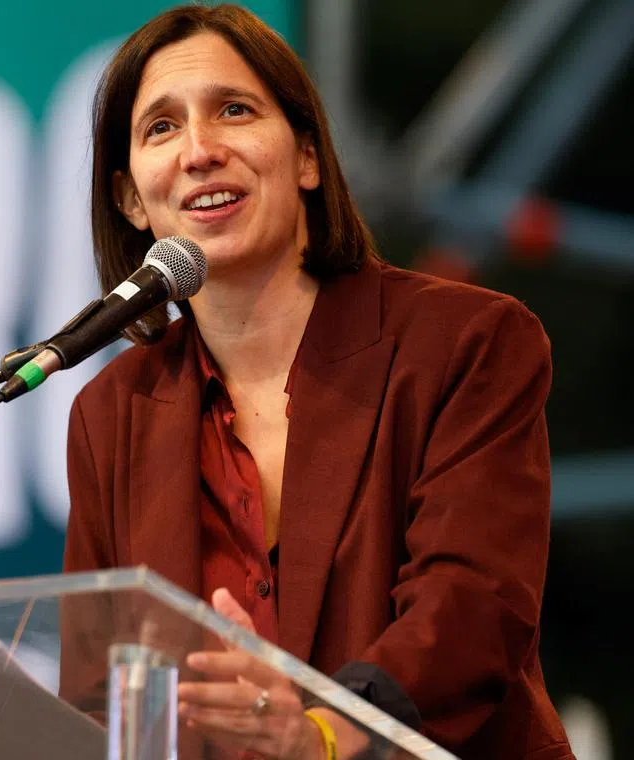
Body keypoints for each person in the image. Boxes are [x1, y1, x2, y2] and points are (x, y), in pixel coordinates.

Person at [60, 4, 574, 759]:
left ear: (306, 157)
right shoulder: (111, 414)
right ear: (132, 199)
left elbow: (470, 608)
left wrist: (324, 736)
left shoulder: (463, 341)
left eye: (234, 111)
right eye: (161, 128)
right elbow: (99, 697)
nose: (200, 151)